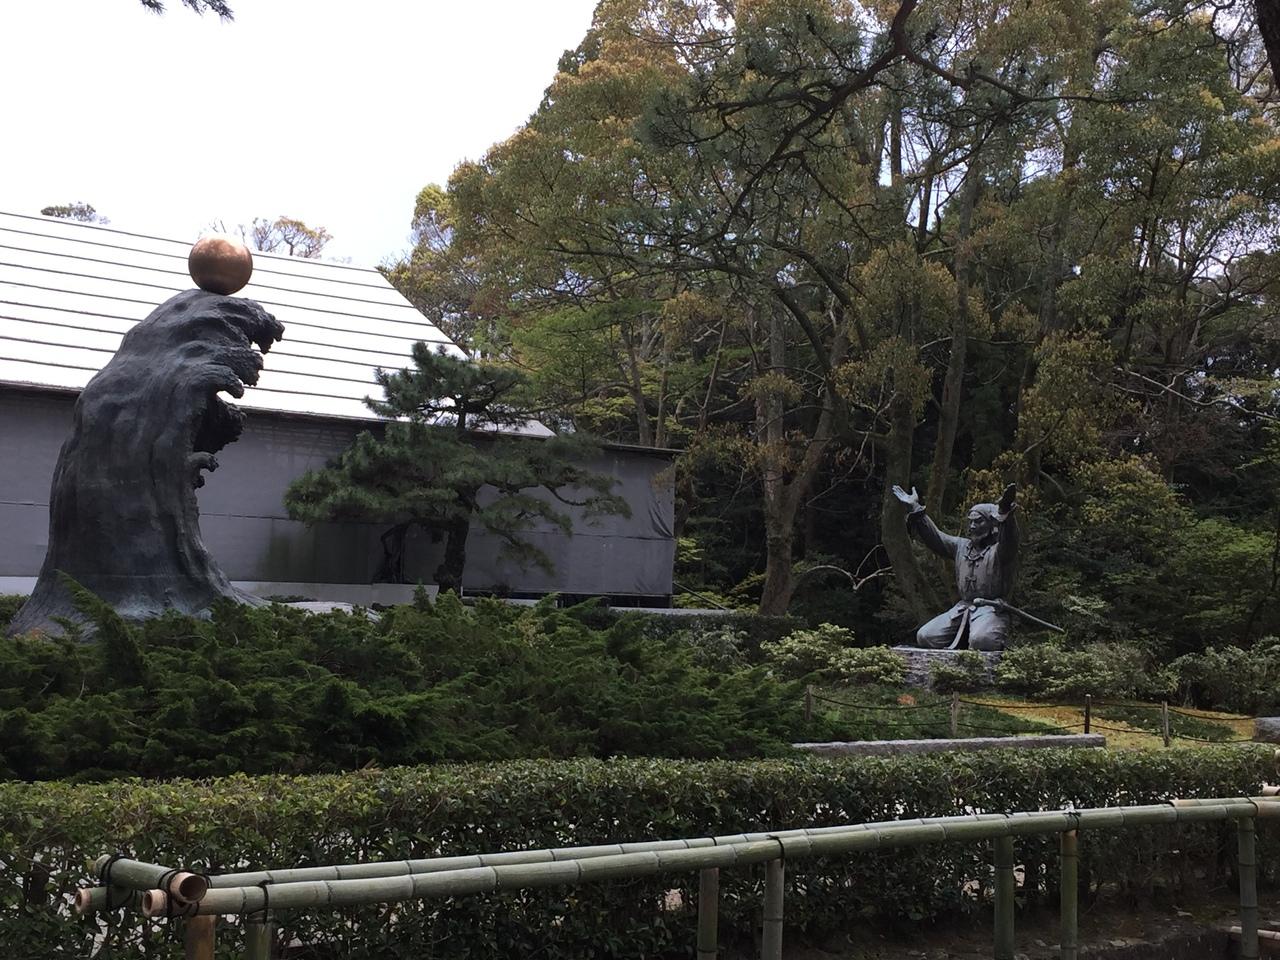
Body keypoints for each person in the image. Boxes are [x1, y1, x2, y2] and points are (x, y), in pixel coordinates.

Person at [891, 483, 1019, 651]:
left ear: (991, 524)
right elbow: (936, 538)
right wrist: (915, 508)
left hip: (991, 609)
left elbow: (1010, 540)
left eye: (978, 522)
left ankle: (979, 634)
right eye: (971, 522)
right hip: (962, 608)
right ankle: (966, 637)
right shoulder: (961, 546)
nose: (972, 526)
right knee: (925, 636)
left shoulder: (999, 551)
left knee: (982, 641)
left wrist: (1005, 514)